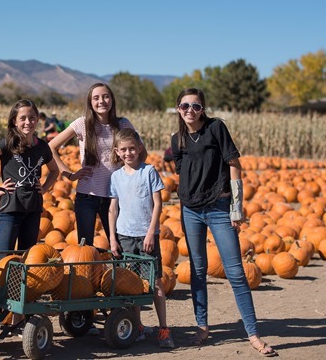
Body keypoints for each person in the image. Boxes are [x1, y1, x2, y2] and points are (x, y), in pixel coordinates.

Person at [171, 88, 277, 357]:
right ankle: (203, 326)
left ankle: (253, 333)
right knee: (197, 270)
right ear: (178, 109)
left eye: (196, 106)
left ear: (203, 109)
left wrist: (236, 206)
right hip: (190, 211)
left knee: (236, 273)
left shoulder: (216, 128)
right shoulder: (177, 139)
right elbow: (183, 173)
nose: (190, 111)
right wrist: (182, 206)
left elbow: (234, 163)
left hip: (219, 207)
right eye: (185, 106)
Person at [48, 83, 144, 246]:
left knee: (119, 246)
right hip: (87, 195)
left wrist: (131, 172)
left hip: (116, 195)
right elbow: (51, 147)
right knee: (85, 248)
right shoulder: (82, 124)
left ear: (112, 100)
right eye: (96, 98)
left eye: (106, 96)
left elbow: (142, 151)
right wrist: (69, 174)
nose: (102, 101)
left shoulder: (123, 124)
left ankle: (119, 273)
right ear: (90, 102)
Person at [108, 128, 174, 348]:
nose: (128, 153)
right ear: (117, 152)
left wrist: (151, 232)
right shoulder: (116, 176)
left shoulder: (149, 172)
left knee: (155, 283)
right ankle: (138, 326)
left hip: (147, 237)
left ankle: (163, 328)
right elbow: (112, 209)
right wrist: (112, 238)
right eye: (123, 150)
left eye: (132, 149)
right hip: (124, 236)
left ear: (139, 149)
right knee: (132, 285)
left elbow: (158, 204)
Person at [0, 100, 60, 255]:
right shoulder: (7, 144)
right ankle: (0, 280)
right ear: (14, 121)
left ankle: (21, 281)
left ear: (37, 120)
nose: (28, 122)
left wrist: (44, 188)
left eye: (32, 118)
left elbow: (54, 171)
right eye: (22, 118)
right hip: (10, 207)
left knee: (27, 257)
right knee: (4, 256)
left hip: (33, 207)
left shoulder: (43, 147)